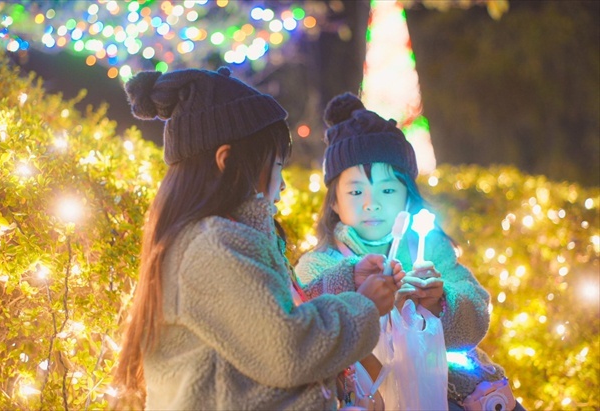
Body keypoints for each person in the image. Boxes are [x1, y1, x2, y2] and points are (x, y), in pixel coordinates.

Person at [114, 68, 399, 410]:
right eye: (276, 165)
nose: (282, 185)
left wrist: (350, 282)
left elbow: (272, 313)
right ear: (227, 160)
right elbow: (288, 347)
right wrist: (363, 306)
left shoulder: (223, 236)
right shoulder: (212, 246)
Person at [295, 92, 525, 411]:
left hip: (447, 387)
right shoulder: (320, 264)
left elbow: (474, 310)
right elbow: (312, 324)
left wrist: (441, 306)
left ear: (408, 196)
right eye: (355, 190)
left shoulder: (429, 248)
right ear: (333, 202)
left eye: (387, 190)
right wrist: (361, 295)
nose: (371, 202)